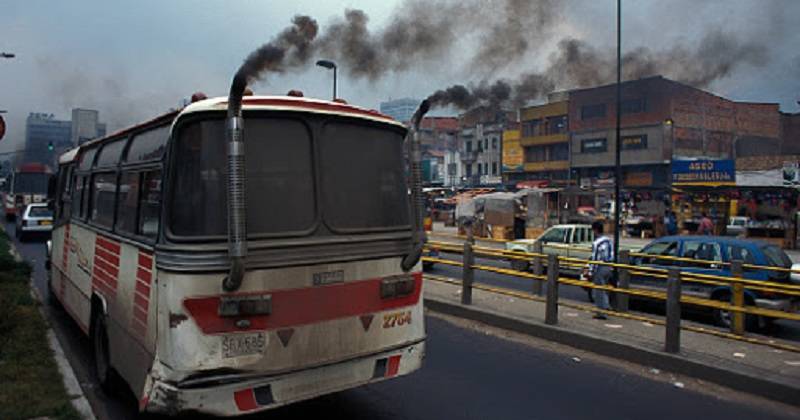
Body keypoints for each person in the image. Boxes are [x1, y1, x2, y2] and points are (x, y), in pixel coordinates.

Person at [587, 221, 614, 319]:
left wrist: (590, 271)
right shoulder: (608, 240)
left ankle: (601, 312)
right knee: (604, 288)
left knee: (598, 290)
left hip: (600, 267)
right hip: (609, 266)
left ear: (595, 230)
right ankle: (606, 306)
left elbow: (595, 258)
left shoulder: (596, 243)